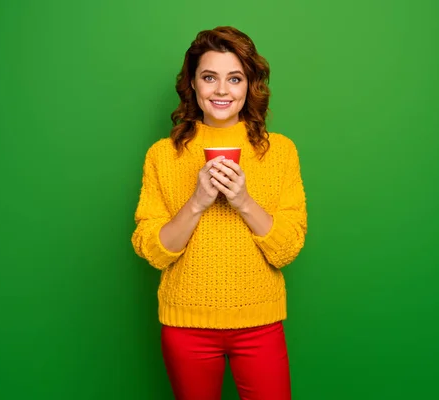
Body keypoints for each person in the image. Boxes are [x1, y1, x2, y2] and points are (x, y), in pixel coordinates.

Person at [131, 26, 307, 400]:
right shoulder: (162, 155)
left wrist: (243, 200)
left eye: (235, 78)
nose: (222, 90)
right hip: (185, 327)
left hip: (260, 324)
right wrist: (196, 202)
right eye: (209, 77)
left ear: (250, 85)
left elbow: (287, 249)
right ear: (192, 85)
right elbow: (153, 251)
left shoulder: (280, 152)